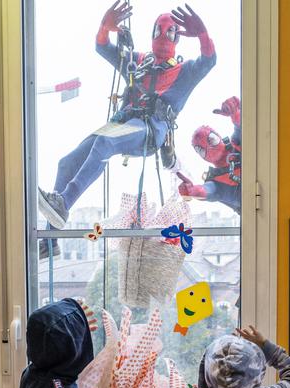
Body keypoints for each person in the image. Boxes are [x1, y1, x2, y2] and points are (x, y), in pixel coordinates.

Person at [38, 1, 217, 248]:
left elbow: (209, 60)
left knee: (105, 142)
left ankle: (64, 202)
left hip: (150, 129)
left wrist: (203, 34)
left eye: (170, 32)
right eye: (159, 30)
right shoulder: (138, 61)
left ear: (177, 39)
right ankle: (49, 242)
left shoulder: (185, 72)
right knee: (66, 163)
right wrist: (105, 27)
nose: (164, 36)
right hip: (123, 123)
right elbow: (103, 47)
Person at [178, 96, 241, 214]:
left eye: (211, 140)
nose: (210, 148)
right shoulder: (218, 183)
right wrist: (192, 191)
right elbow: (207, 190)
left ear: (219, 137)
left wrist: (235, 113)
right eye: (201, 150)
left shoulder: (237, 144)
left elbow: (242, 128)